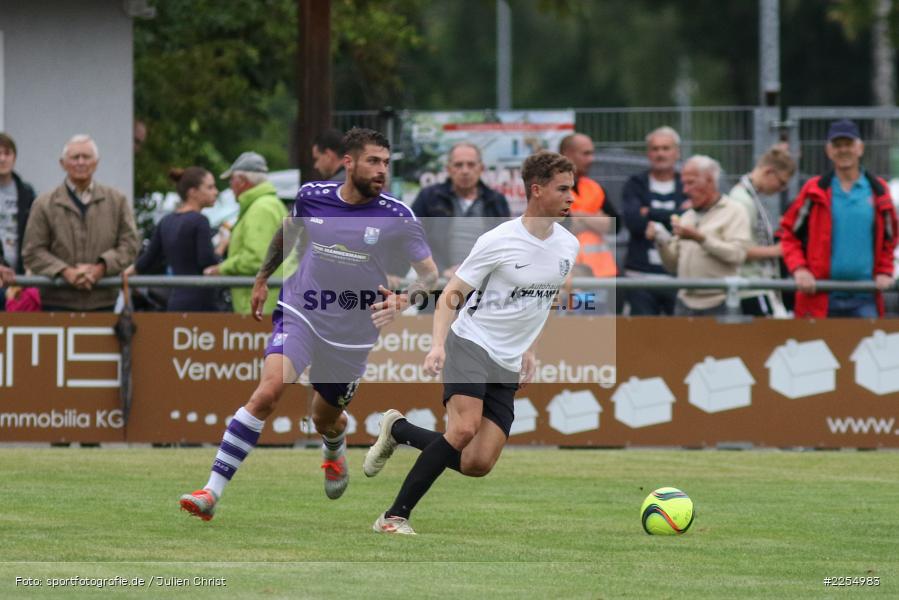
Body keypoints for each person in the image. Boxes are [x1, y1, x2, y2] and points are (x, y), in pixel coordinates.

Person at [179, 127, 438, 520]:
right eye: (373, 161)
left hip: (353, 328)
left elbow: (429, 275)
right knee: (268, 392)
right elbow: (289, 233)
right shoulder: (313, 196)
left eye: (386, 162)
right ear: (348, 163)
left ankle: (334, 445)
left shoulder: (397, 215)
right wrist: (264, 277)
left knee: (324, 417)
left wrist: (404, 300)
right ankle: (210, 492)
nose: (381, 170)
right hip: (302, 307)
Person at [364, 150, 580, 535]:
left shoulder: (568, 246)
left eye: (572, 188)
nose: (571, 197)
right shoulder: (498, 240)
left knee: (477, 463)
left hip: (508, 358)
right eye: (563, 189)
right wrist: (438, 344)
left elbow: (545, 300)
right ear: (536, 191)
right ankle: (393, 517)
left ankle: (398, 431)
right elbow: (453, 292)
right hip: (470, 340)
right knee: (463, 429)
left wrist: (529, 347)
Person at [779, 119, 897, 318]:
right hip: (819, 295)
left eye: (848, 144)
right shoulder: (814, 190)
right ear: (829, 150)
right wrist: (799, 269)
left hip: (865, 296)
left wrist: (885, 270)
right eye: (837, 145)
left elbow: (890, 237)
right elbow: (788, 233)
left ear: (860, 148)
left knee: (869, 348)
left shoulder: (879, 191)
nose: (843, 150)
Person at [22, 134, 139, 311]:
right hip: (56, 301)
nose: (81, 162)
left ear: (97, 162)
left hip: (103, 301)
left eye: (86, 156)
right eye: (75, 157)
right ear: (62, 163)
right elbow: (32, 251)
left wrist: (101, 268)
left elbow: (130, 245)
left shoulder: (117, 201)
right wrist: (65, 272)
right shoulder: (44, 203)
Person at [646, 155, 750, 316]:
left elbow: (737, 255)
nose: (685, 190)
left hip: (720, 301)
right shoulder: (688, 216)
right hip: (684, 302)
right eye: (684, 183)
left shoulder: (735, 211)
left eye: (691, 182)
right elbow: (672, 266)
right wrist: (661, 241)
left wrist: (700, 238)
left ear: (709, 180)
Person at [203, 151, 288, 315]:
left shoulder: (260, 209)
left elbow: (256, 259)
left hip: (260, 307)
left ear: (242, 181)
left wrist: (221, 269)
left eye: (231, 179)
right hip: (270, 303)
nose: (230, 185)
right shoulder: (270, 204)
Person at [126, 167, 221, 311]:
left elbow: (147, 261)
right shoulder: (200, 221)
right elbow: (207, 262)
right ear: (192, 192)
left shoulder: (166, 221)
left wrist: (125, 274)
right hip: (201, 302)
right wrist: (223, 246)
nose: (216, 191)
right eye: (210, 187)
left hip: (176, 300)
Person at [412, 142, 510, 280]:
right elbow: (413, 240)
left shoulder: (496, 201)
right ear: (449, 169)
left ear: (481, 168)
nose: (465, 171)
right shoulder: (429, 197)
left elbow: (504, 246)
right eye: (459, 165)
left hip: (484, 285)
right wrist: (440, 270)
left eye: (471, 165)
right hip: (439, 284)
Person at [621, 126, 690, 315]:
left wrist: (649, 212)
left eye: (666, 148)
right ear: (648, 153)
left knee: (679, 338)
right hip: (640, 276)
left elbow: (689, 224)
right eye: (655, 149)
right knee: (643, 338)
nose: (660, 154)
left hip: (678, 276)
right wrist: (675, 215)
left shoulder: (687, 184)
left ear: (677, 152)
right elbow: (634, 223)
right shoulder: (635, 184)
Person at [728, 146, 796, 316]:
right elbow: (737, 249)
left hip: (757, 284)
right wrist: (778, 250)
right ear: (769, 172)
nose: (782, 189)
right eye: (781, 182)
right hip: (749, 286)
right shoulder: (741, 200)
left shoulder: (752, 197)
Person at [558, 132, 620, 279]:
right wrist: (596, 218)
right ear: (568, 155)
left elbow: (616, 225)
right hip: (572, 275)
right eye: (585, 154)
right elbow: (564, 226)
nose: (591, 159)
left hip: (604, 273)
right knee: (579, 303)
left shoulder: (593, 187)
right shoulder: (554, 189)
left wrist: (579, 216)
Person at [0, 133, 36, 278]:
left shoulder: (26, 193)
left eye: (7, 153)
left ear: (14, 157)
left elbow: (36, 231)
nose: (2, 159)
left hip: (21, 273)